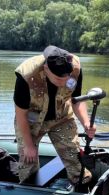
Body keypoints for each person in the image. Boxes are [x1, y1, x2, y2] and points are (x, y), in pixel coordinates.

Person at [13, 45, 96, 186]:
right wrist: (28, 145)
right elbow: (21, 114)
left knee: (74, 157)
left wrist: (86, 123)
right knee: (28, 161)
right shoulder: (26, 75)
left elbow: (76, 100)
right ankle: (29, 193)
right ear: (46, 69)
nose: (63, 82)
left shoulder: (75, 68)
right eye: (58, 79)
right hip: (31, 122)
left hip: (62, 117)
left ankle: (82, 188)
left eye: (66, 78)